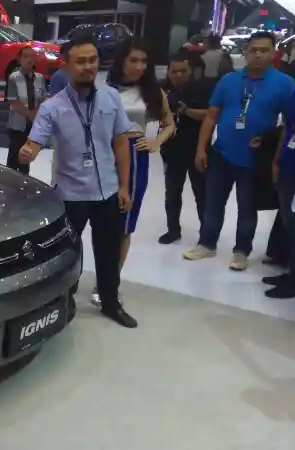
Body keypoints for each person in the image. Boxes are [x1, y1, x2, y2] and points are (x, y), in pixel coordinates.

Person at [18, 34, 138, 329]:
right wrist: (28, 151)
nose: (88, 67)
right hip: (71, 195)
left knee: (109, 251)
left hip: (108, 190)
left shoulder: (111, 97)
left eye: (93, 60)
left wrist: (124, 186)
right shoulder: (53, 107)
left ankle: (110, 302)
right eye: (81, 61)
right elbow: (35, 141)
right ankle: (65, 300)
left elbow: (121, 144)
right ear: (66, 65)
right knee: (68, 253)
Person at [185, 32, 295, 270]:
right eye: (254, 49)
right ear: (246, 51)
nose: (258, 54)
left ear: (274, 53)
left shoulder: (284, 84)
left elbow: (290, 124)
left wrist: (277, 157)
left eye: (264, 50)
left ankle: (241, 250)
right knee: (213, 203)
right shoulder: (229, 80)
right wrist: (201, 148)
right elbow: (211, 116)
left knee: (247, 208)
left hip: (254, 159)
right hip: (221, 154)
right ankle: (207, 243)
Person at [98, 37, 175, 306]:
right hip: (105, 156)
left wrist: (155, 142)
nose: (140, 66)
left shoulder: (153, 92)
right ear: (122, 61)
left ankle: (110, 283)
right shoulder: (106, 90)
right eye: (134, 60)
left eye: (144, 61)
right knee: (102, 221)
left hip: (135, 158)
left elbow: (169, 124)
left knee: (124, 223)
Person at [158, 51, 209, 244]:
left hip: (197, 148)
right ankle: (173, 230)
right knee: (172, 193)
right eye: (174, 71)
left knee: (201, 194)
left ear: (190, 71)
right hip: (171, 149)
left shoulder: (201, 88)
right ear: (168, 71)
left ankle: (206, 232)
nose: (178, 75)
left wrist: (186, 111)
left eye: (183, 70)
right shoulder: (161, 89)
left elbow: (210, 115)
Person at [264, 83, 295, 298]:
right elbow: (288, 127)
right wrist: (277, 159)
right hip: (289, 168)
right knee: (290, 226)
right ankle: (294, 273)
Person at [5, 46, 46, 174]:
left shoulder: (39, 78)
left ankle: (24, 182)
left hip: (32, 126)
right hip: (17, 125)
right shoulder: (13, 78)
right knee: (13, 158)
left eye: (32, 56)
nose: (29, 59)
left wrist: (35, 114)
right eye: (26, 56)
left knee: (26, 157)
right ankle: (9, 182)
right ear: (19, 59)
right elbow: (13, 101)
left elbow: (42, 98)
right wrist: (30, 114)